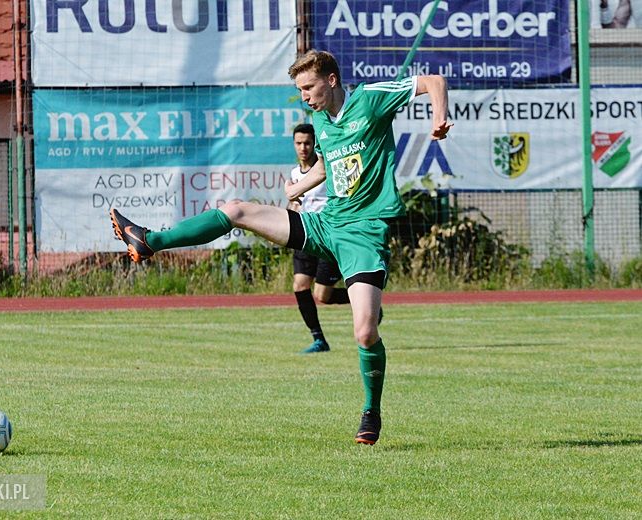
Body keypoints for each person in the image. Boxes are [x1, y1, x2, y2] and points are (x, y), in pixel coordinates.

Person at [110, 50, 452, 445]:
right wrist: (299, 187)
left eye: (309, 87)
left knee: (364, 333)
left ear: (332, 80)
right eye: (300, 90)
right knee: (237, 209)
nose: (305, 96)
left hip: (363, 233)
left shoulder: (370, 99)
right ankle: (150, 240)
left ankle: (371, 410)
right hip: (325, 224)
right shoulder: (322, 121)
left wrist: (438, 116)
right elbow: (329, 167)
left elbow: (433, 82)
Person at [288, 123, 350, 354]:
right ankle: (319, 340)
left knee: (322, 295)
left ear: (315, 144)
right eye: (298, 143)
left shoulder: (328, 169)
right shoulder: (295, 174)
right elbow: (295, 204)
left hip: (328, 236)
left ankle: (362, 297)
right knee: (300, 286)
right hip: (306, 236)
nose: (303, 148)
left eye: (307, 143)